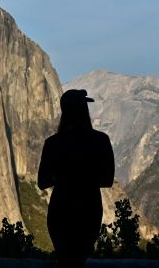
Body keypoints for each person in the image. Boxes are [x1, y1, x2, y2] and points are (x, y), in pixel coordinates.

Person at [38, 89, 115, 268]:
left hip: (60, 212)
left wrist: (64, 177)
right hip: (88, 211)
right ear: (84, 111)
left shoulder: (52, 143)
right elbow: (107, 179)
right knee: (79, 260)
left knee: (65, 260)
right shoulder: (100, 140)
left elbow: (43, 182)